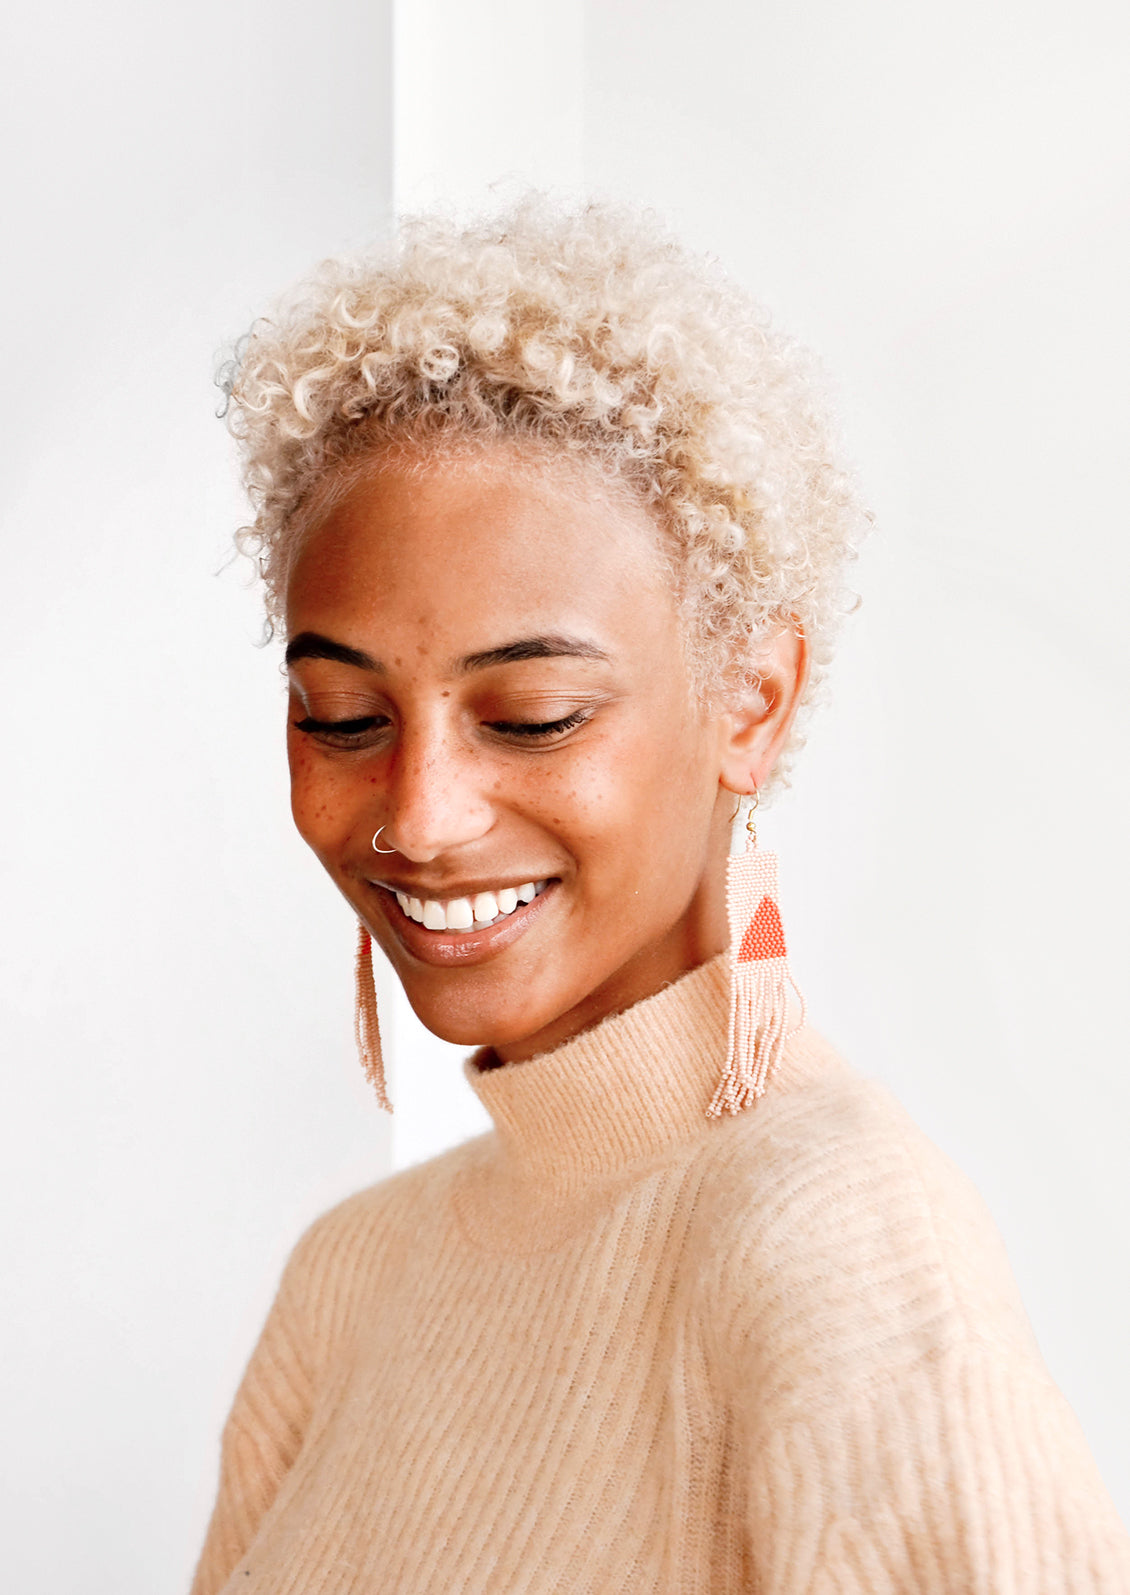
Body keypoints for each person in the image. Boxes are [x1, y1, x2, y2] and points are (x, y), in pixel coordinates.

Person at [190, 199, 1129, 1594]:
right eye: (340, 717)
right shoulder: (348, 1281)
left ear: (748, 704)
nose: (419, 817)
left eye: (531, 715)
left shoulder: (833, 1239)